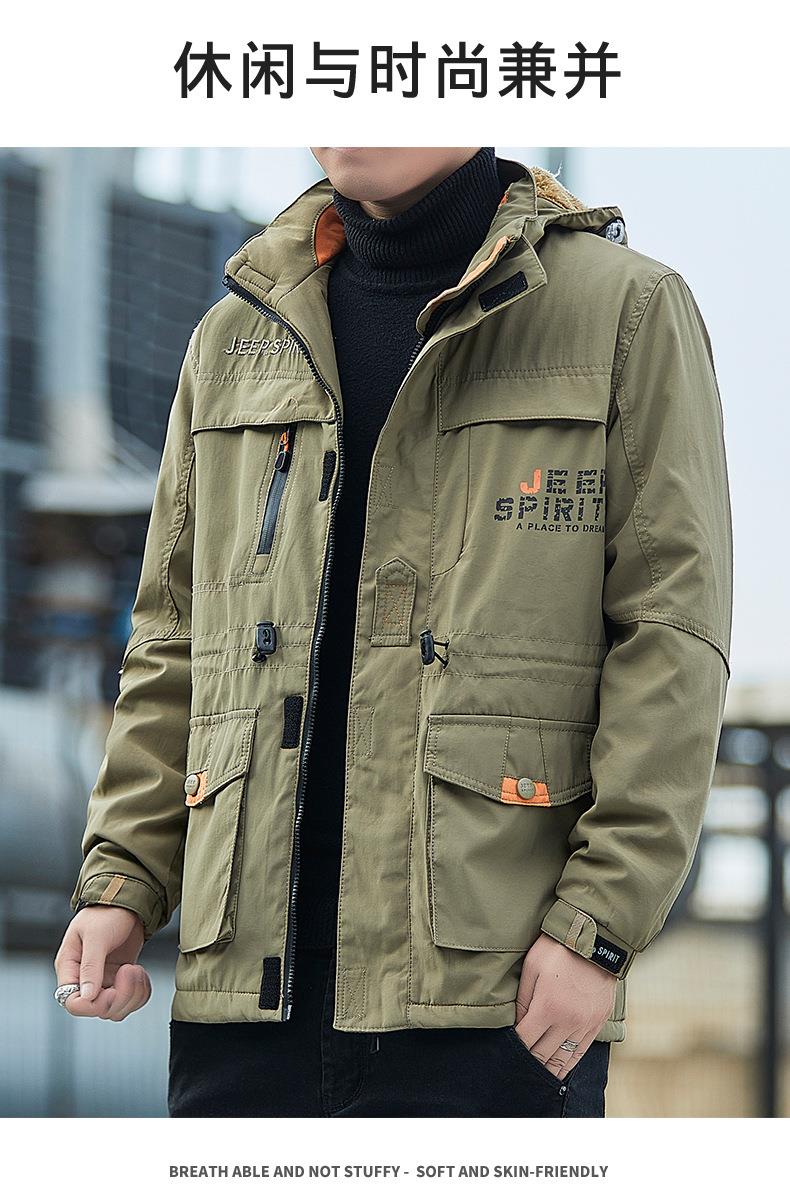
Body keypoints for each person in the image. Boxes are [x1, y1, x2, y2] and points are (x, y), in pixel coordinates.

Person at [54, 147, 732, 1117]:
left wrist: (597, 926)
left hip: (488, 995)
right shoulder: (235, 336)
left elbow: (670, 634)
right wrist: (122, 875)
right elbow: (174, 636)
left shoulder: (623, 313)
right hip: (246, 999)